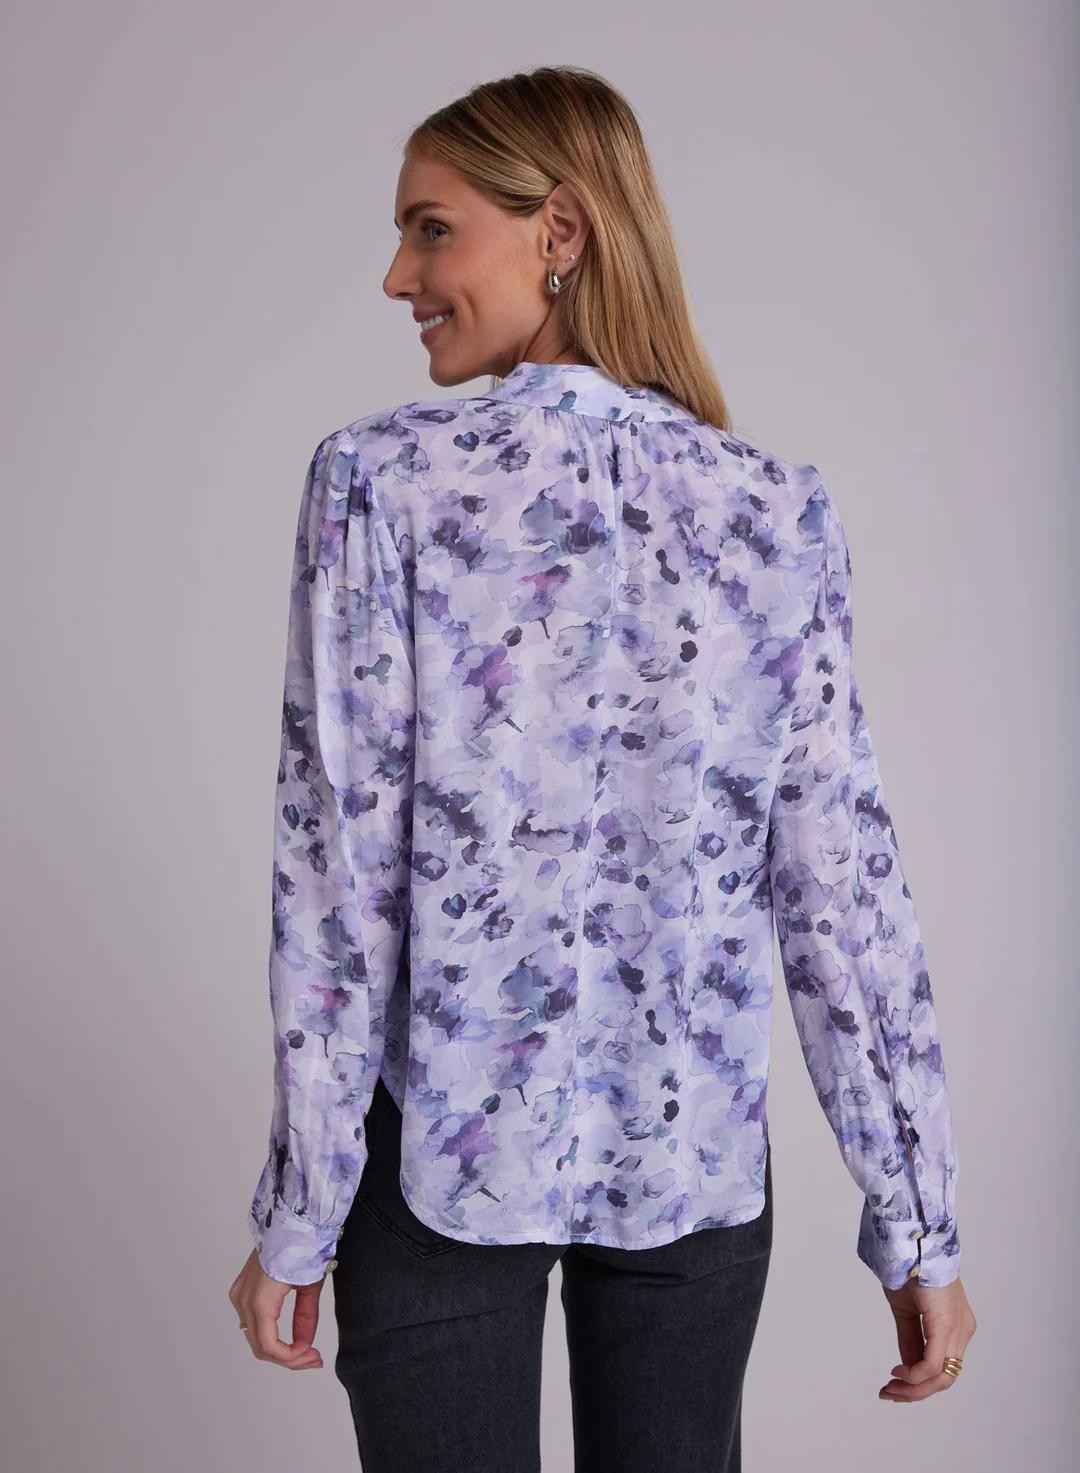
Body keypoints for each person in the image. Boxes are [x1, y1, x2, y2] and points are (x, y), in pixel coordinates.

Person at [228, 64, 976, 1472]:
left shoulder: (378, 483)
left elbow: (338, 882)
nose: (398, 275)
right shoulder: (774, 509)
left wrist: (303, 1206)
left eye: (432, 229)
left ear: (559, 231)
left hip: (439, 1165)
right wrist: (917, 1221)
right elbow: (844, 897)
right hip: (693, 1163)